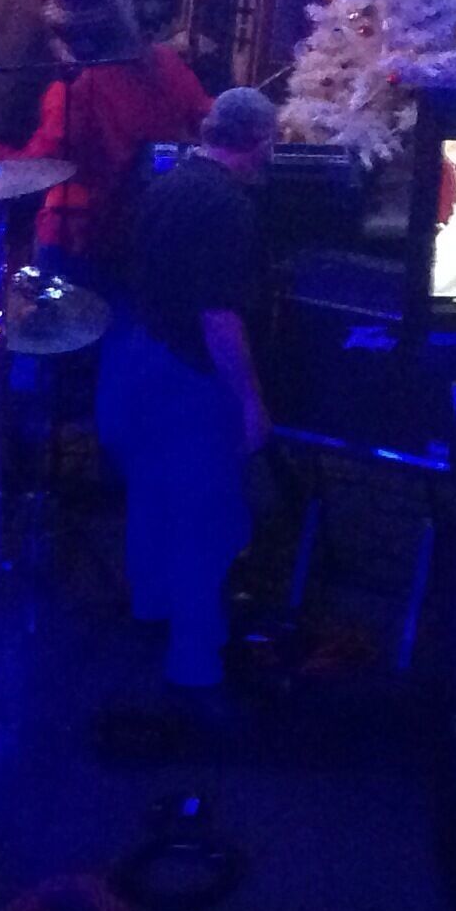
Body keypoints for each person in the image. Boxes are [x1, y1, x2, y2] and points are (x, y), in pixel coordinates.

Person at [97, 86, 278, 704]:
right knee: (206, 521)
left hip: (135, 361)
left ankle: (150, 616)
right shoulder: (231, 208)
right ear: (261, 144)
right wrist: (252, 402)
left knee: (151, 500)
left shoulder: (165, 184)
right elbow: (218, 316)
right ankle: (195, 664)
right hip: (188, 379)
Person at [0, 0, 210, 282]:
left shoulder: (74, 92)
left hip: (81, 240)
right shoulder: (165, 63)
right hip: (153, 232)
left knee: (66, 327)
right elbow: (207, 122)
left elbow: (33, 170)